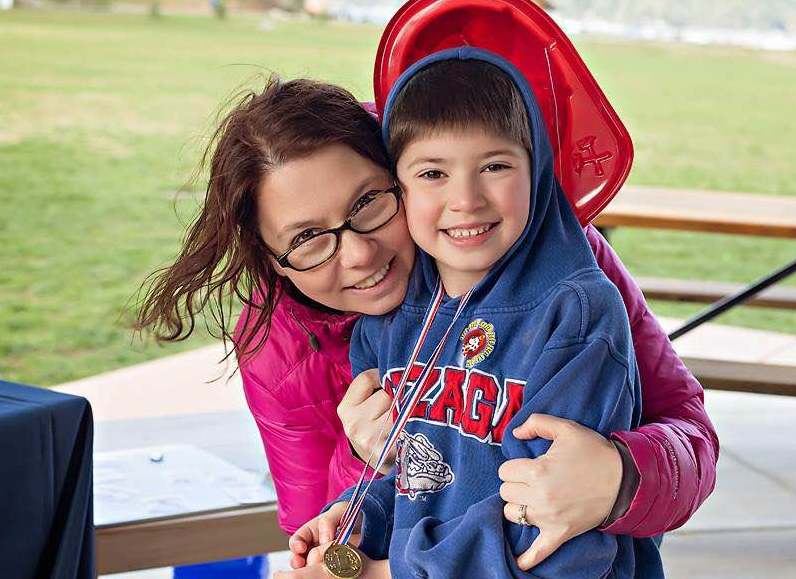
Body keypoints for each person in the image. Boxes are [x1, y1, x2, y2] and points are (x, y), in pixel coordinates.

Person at [136, 75, 717, 574]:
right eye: (307, 239)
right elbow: (325, 520)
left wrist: (621, 477)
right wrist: (363, 468)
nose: (359, 256)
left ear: (403, 178)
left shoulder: (555, 269)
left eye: (368, 204)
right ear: (272, 260)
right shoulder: (277, 347)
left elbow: (690, 435)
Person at [297, 48, 664, 578]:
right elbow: (426, 473)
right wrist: (359, 517)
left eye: (494, 166)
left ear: (536, 170)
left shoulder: (575, 315)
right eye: (432, 173)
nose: (466, 199)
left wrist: (381, 572)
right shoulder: (394, 317)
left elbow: (556, 535)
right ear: (397, 188)